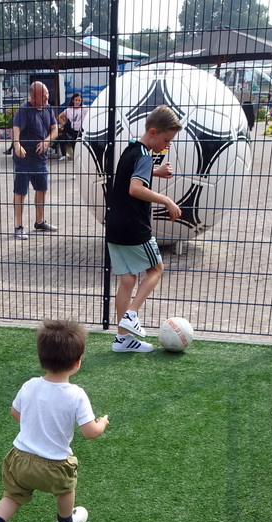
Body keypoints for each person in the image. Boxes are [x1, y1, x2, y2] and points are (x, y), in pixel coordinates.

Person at [0, 319, 109, 522]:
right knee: (66, 488)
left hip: (18, 459)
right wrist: (102, 422)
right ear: (77, 362)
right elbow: (90, 432)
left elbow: (15, 413)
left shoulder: (29, 385)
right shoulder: (76, 394)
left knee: (12, 496)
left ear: (41, 358)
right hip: (54, 465)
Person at [106, 104, 182, 354]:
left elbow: (129, 175)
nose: (167, 145)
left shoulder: (131, 149)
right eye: (166, 139)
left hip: (115, 227)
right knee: (157, 269)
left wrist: (155, 172)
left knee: (127, 280)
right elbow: (135, 188)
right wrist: (167, 200)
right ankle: (131, 314)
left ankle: (122, 340)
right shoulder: (145, 155)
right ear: (152, 131)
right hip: (134, 227)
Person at [11, 81, 60, 240]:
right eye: (43, 96)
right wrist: (17, 145)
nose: (47, 98)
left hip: (41, 159)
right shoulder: (24, 110)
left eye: (47, 95)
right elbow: (16, 129)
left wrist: (47, 141)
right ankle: (18, 226)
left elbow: (55, 129)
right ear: (33, 97)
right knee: (20, 192)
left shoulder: (48, 108)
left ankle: (40, 221)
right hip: (24, 160)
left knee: (42, 189)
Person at [57, 92, 86, 160]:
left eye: (79, 100)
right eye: (76, 100)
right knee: (73, 145)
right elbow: (59, 117)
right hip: (73, 131)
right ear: (73, 100)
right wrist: (64, 124)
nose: (77, 102)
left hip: (81, 130)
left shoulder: (84, 108)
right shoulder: (69, 110)